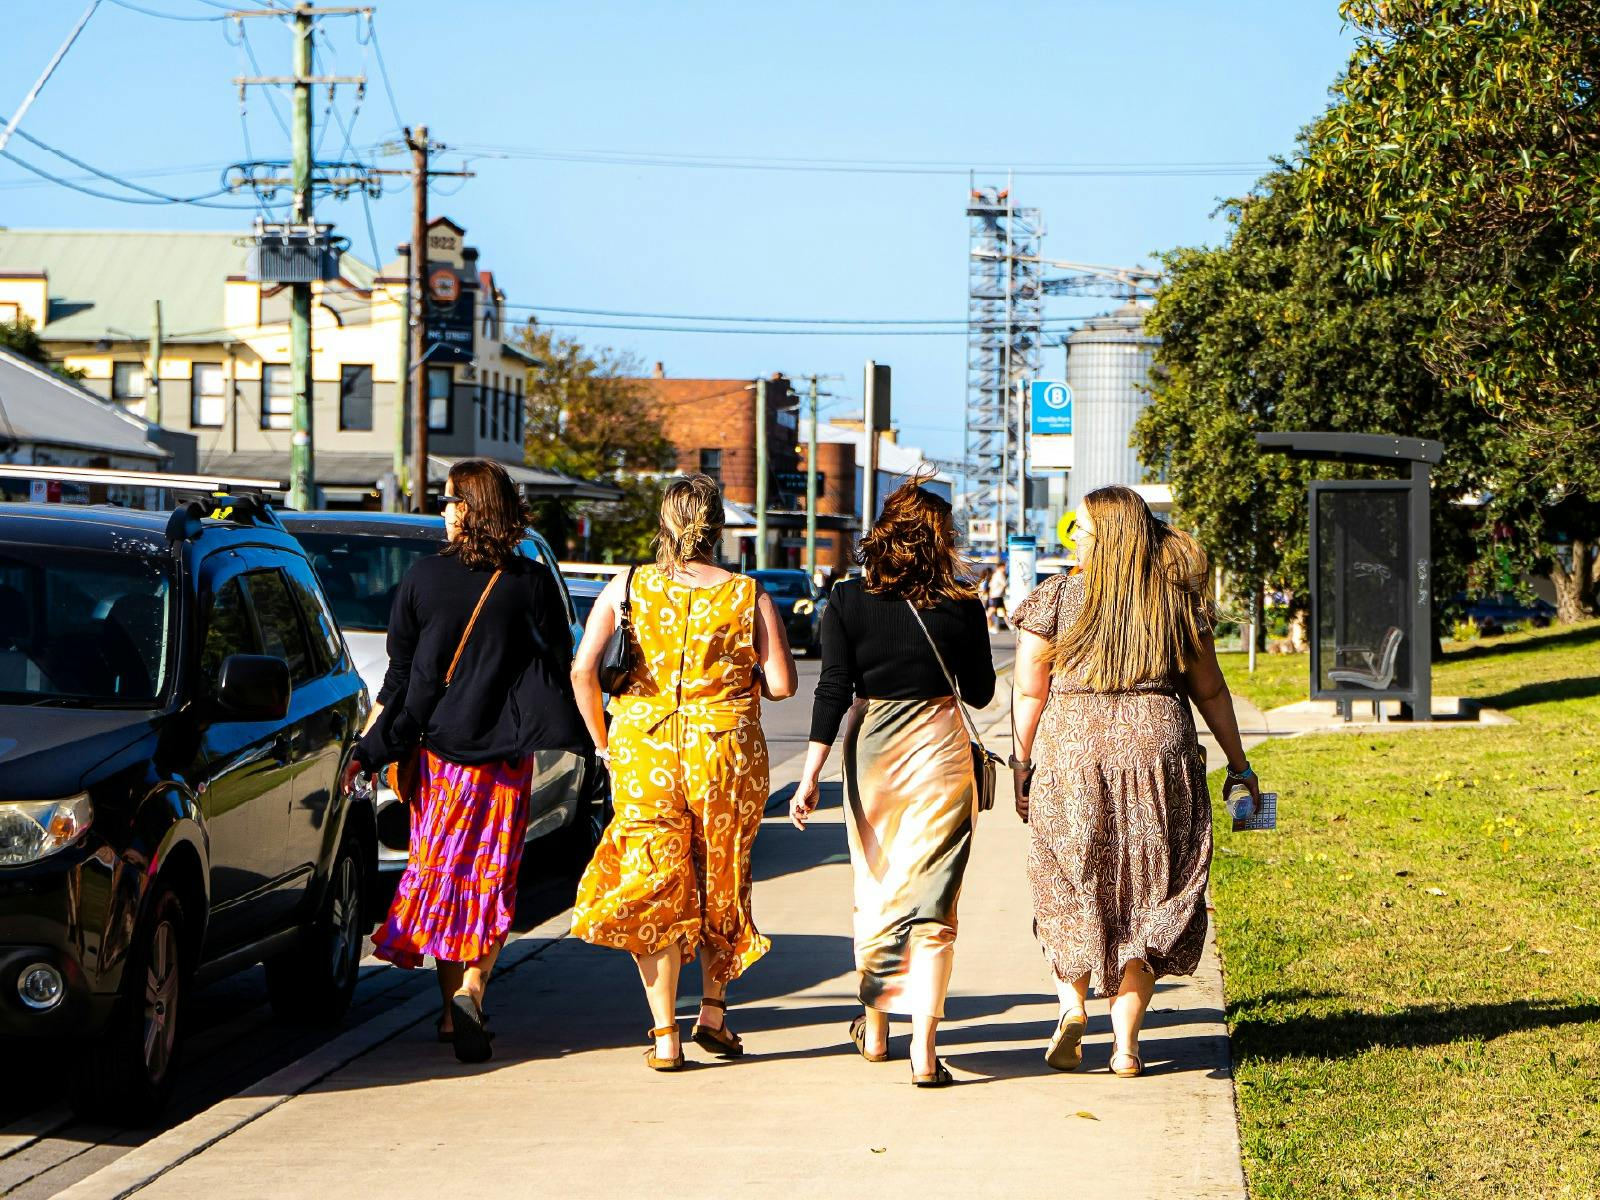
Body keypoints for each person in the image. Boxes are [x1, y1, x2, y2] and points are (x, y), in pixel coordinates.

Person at [1008, 485, 1261, 1078]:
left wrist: (1021, 763)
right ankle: (1126, 1045)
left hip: (1074, 752)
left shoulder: (1054, 599)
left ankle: (1072, 1006)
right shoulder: (1176, 603)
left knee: (1069, 879)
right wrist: (1240, 765)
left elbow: (1028, 690)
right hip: (1158, 747)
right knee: (1154, 887)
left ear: (1097, 536)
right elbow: (1212, 691)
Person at [344, 459, 588, 1063]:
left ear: (470, 508)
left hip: (441, 760)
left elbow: (404, 679)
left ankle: (452, 1012)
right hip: (505, 761)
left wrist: (373, 748)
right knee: (491, 878)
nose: (445, 513)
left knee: (447, 873)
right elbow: (558, 659)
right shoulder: (530, 583)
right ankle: (476, 988)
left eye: (451, 501)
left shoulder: (423, 580)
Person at [570, 475, 797, 1071]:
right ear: (717, 525)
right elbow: (781, 685)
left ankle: (664, 1033)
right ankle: (714, 1014)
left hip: (644, 751)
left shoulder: (626, 587)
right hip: (722, 753)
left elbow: (582, 671)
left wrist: (605, 744)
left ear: (664, 522)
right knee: (721, 875)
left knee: (658, 882)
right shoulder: (747, 594)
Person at [790, 478, 996, 1088]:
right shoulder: (962, 604)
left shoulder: (847, 601)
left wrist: (808, 778)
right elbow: (981, 693)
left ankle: (876, 1028)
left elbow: (832, 689)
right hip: (940, 756)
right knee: (933, 902)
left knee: (877, 890)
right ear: (940, 541)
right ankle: (924, 1052)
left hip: (872, 753)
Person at [985, 561, 1008, 632]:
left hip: (995, 596)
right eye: (1004, 567)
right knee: (989, 614)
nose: (1005, 568)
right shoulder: (999, 574)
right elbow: (1004, 584)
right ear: (1001, 567)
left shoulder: (995, 574)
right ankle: (990, 627)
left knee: (1004, 614)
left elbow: (990, 586)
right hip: (996, 596)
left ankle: (1011, 627)